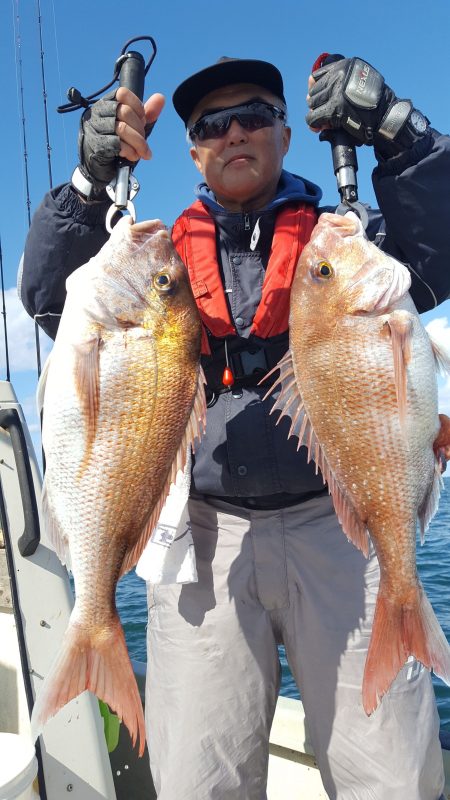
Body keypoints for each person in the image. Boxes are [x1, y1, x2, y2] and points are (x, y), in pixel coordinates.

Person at [20, 53, 450, 800]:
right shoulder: (159, 263)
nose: (234, 132)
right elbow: (49, 296)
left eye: (253, 115)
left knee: (393, 777)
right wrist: (88, 186)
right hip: (204, 542)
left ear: (286, 133)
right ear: (192, 150)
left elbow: (440, 248)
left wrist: (399, 132)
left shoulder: (345, 246)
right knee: (198, 778)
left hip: (342, 529)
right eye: (212, 125)